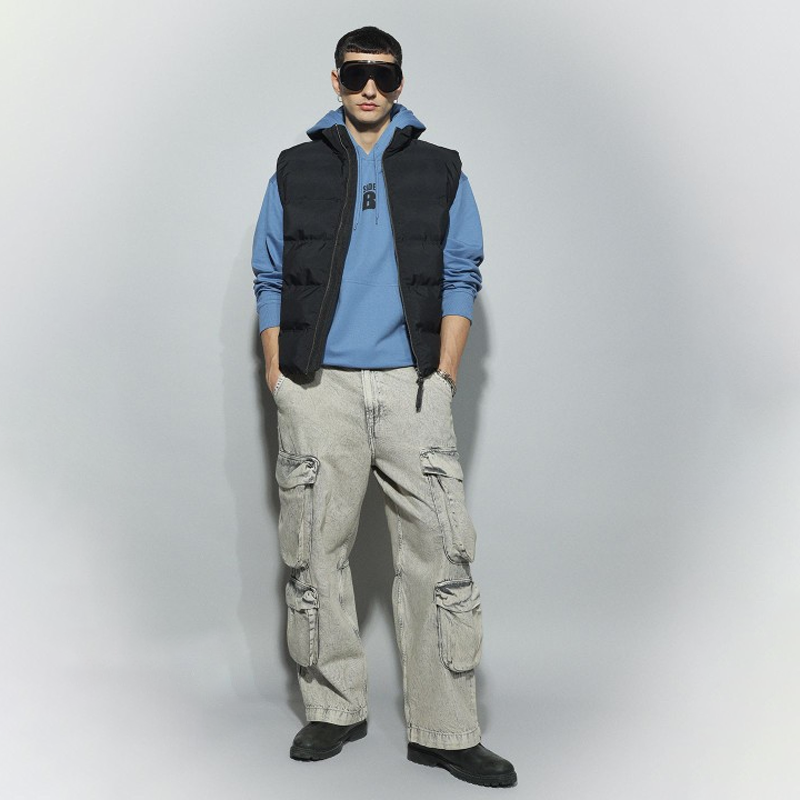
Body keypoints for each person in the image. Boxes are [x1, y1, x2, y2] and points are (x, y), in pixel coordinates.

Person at [251, 26, 517, 788]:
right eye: (357, 72)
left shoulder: (440, 169)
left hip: (412, 387)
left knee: (442, 553)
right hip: (318, 387)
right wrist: (278, 375)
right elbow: (270, 273)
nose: (370, 86)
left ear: (400, 83)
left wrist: (447, 375)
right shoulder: (295, 168)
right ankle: (333, 709)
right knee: (314, 551)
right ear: (335, 79)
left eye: (385, 74)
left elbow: (462, 270)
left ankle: (446, 730)